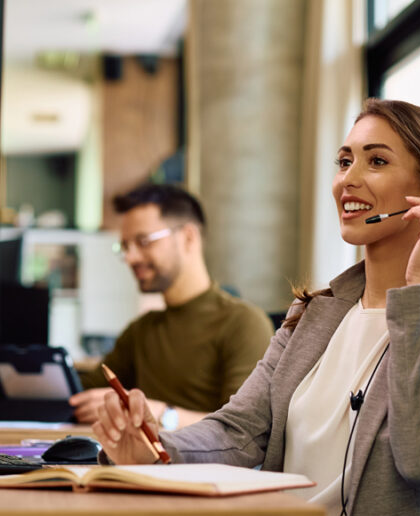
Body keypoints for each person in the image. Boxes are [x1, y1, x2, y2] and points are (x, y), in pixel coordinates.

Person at [89, 99, 420, 516]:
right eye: (345, 161)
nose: (349, 180)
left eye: (376, 161)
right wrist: (157, 450)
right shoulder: (314, 312)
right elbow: (240, 431)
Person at [70, 184, 274, 430]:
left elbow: (243, 427)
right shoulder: (142, 330)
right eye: (125, 247)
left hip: (206, 468)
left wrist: (162, 415)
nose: (131, 258)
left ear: (188, 237)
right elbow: (84, 389)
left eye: (143, 241)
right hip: (140, 465)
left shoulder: (243, 323)